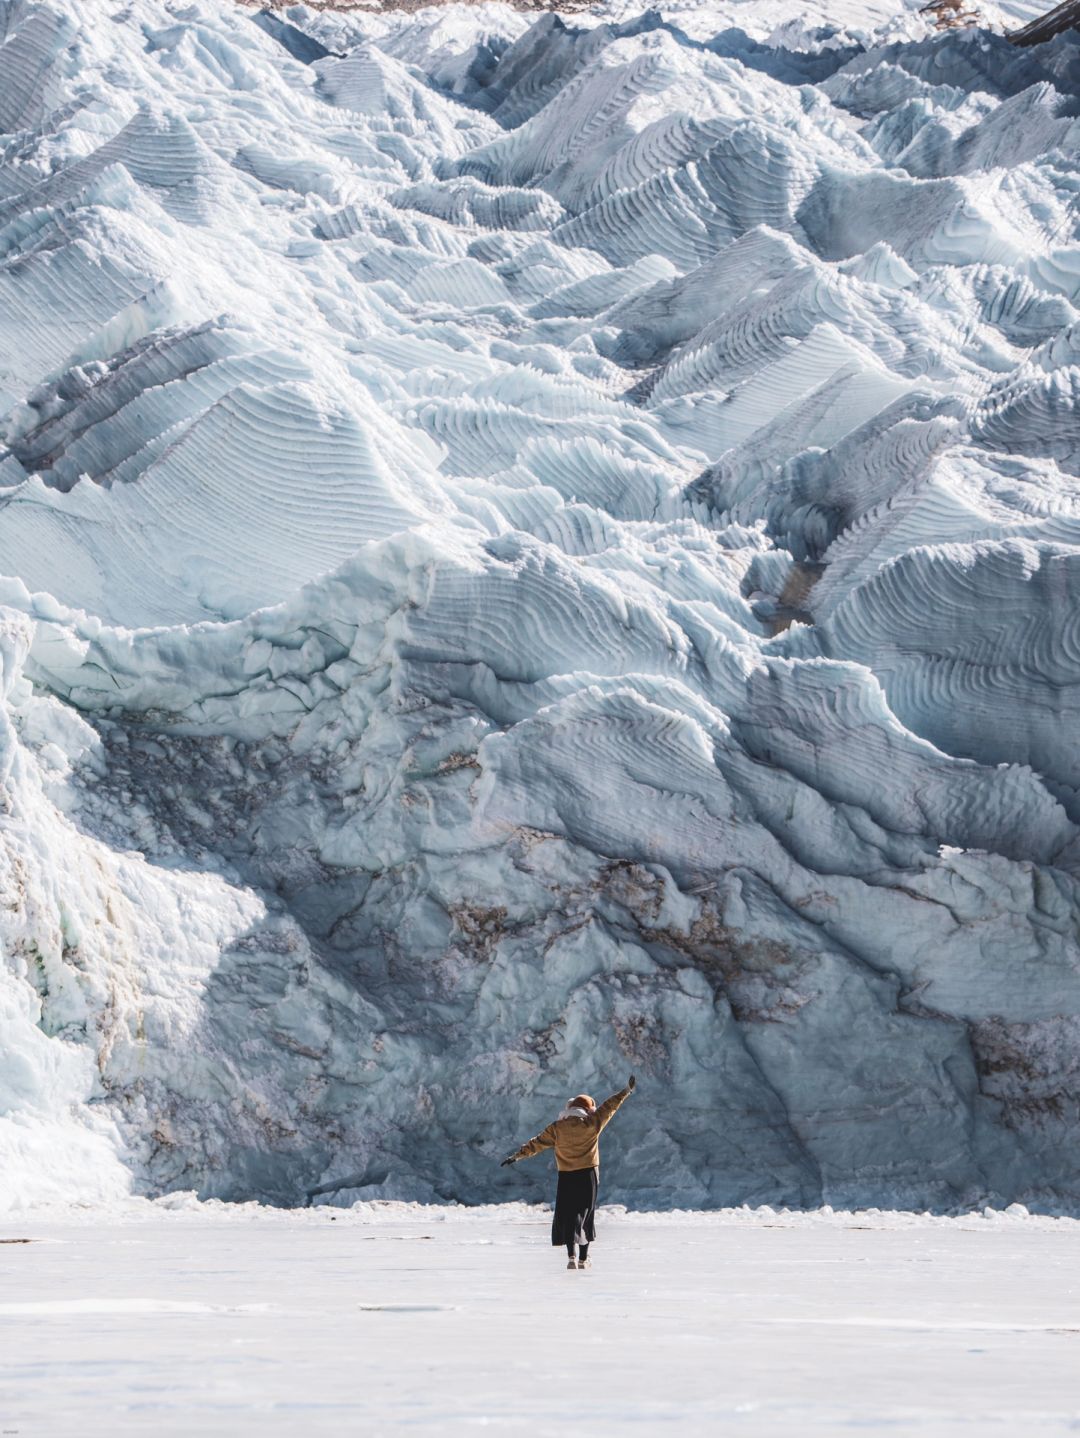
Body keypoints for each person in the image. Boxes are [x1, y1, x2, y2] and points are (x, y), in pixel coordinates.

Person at [501, 1075, 635, 1270]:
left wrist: (517, 1156)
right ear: (588, 1109)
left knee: (569, 1215)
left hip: (566, 1177)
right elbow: (610, 1106)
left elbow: (536, 1143)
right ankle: (583, 1259)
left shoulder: (557, 1128)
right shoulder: (592, 1123)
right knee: (585, 1216)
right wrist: (626, 1091)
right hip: (588, 1175)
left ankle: (571, 1257)